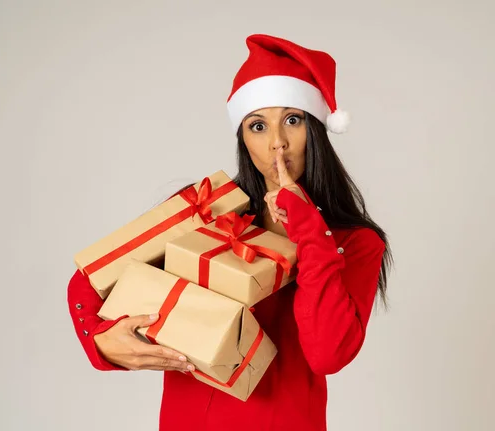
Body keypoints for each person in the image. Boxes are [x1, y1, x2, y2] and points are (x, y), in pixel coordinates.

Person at [67, 33, 392, 431]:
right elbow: (88, 281)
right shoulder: (206, 209)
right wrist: (99, 339)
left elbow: (327, 354)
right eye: (258, 125)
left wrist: (308, 227)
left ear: (318, 131)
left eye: (293, 120)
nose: (277, 143)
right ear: (243, 138)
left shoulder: (354, 243)